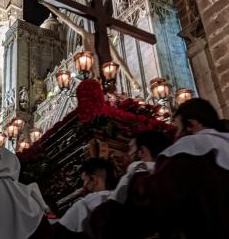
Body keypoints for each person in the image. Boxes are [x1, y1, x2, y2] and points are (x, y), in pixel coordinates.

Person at [133, 98, 229, 238]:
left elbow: (157, 195)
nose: (175, 137)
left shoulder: (190, 148)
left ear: (190, 125)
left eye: (177, 129)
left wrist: (138, 175)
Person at [90, 131, 172, 239]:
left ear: (142, 151)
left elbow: (111, 214)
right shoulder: (173, 174)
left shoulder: (138, 170)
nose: (127, 154)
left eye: (130, 149)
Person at [54, 158, 116, 238]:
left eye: (84, 180)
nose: (83, 186)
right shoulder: (121, 201)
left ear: (93, 179)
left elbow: (58, 232)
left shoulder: (83, 205)